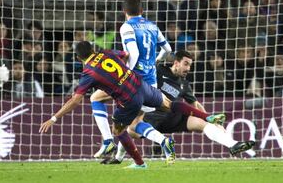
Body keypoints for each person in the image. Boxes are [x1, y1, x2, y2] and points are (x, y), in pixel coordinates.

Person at [39, 41, 225, 169]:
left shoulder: (88, 72)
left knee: (120, 131)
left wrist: (54, 118)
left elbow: (76, 100)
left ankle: (139, 160)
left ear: (79, 58)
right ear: (93, 50)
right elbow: (126, 55)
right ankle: (206, 117)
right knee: (170, 104)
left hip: (129, 98)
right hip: (141, 84)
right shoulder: (105, 53)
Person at [101, 50, 255, 164]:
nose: (188, 68)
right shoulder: (159, 72)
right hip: (150, 117)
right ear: (176, 62)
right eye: (186, 64)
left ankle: (233, 144)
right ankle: (118, 158)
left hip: (171, 117)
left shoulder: (184, 84)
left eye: (190, 65)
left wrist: (209, 118)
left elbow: (194, 104)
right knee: (130, 128)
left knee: (202, 124)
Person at [89, 0, 173, 160]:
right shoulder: (153, 26)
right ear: (142, 10)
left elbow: (133, 52)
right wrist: (155, 61)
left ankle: (107, 142)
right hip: (151, 81)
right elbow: (168, 50)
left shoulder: (127, 26)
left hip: (133, 81)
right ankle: (162, 141)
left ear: (124, 11)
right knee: (134, 125)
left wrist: (127, 75)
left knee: (95, 98)